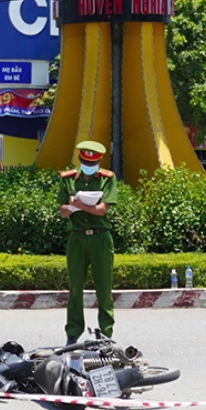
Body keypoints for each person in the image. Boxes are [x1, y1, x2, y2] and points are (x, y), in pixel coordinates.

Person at [58, 140, 119, 345]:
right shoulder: (67, 179)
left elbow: (102, 210)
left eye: (92, 164)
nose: (89, 167)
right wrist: (72, 208)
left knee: (104, 287)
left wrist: (79, 205)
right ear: (80, 160)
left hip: (101, 238)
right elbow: (63, 212)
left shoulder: (107, 179)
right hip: (77, 237)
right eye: (85, 162)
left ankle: (106, 333)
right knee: (75, 288)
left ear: (99, 162)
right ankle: (73, 333)